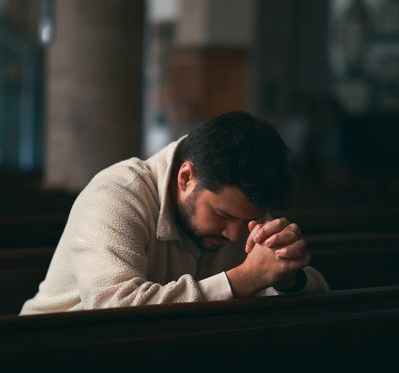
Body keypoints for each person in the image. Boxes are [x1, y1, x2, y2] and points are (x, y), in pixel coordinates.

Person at [20, 111, 328, 315]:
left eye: (247, 220)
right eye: (223, 215)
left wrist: (287, 277)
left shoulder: (241, 201)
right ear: (185, 178)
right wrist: (244, 279)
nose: (236, 234)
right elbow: (112, 308)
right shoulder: (117, 193)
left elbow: (317, 296)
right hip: (49, 363)